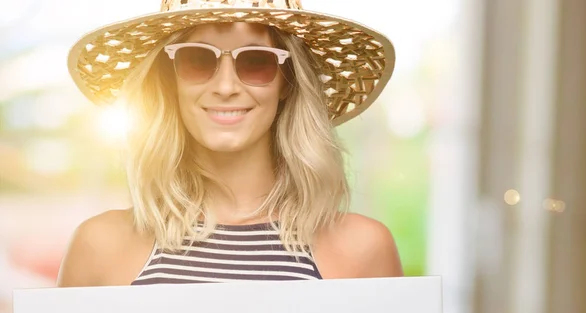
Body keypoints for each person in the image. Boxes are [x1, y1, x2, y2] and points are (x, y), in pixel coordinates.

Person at [57, 0, 403, 286]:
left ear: (287, 81)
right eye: (197, 59)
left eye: (256, 62)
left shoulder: (364, 248)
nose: (225, 87)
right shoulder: (99, 245)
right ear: (169, 79)